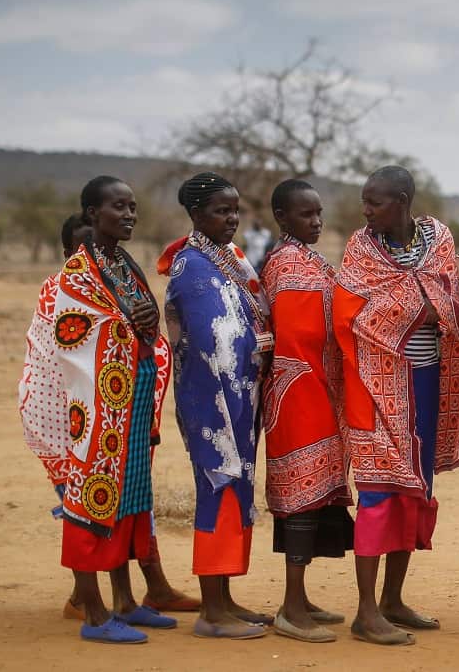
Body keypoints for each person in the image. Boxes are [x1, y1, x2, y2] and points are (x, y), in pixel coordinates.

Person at [19, 212, 198, 623]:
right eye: (85, 245)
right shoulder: (63, 288)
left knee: (122, 506)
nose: (93, 252)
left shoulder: (117, 273)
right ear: (70, 251)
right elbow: (72, 354)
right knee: (87, 509)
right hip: (69, 422)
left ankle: (126, 599)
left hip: (118, 413)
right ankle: (88, 603)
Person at [332, 166, 459, 646]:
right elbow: (349, 315)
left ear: (403, 199)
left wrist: (423, 304)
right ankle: (365, 609)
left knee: (415, 488)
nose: (366, 211)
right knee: (377, 493)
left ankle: (393, 599)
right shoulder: (360, 247)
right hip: (374, 385)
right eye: (364, 201)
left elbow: (447, 299)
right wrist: (416, 306)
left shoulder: (436, 238)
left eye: (375, 202)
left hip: (427, 379)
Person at [49, 177, 180, 643]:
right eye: (117, 207)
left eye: (132, 207)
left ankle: (126, 600)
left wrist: (145, 323)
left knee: (131, 497)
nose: (128, 215)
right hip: (101, 405)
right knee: (93, 496)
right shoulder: (78, 273)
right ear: (91, 214)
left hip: (134, 395)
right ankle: (94, 613)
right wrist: (129, 324)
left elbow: (145, 313)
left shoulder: (121, 261)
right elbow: (70, 335)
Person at [160, 172, 272, 639]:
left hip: (240, 396)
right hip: (210, 400)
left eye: (234, 211)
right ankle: (210, 612)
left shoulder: (230, 260)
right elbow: (210, 337)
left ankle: (224, 598)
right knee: (218, 489)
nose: (230, 219)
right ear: (196, 215)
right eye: (220, 211)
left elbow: (251, 316)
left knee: (238, 490)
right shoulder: (191, 268)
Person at [260, 179, 354, 643]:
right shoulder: (286, 265)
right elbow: (303, 337)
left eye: (318, 213)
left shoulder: (309, 260)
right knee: (300, 497)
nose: (315, 221)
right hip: (300, 392)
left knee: (313, 499)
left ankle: (300, 600)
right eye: (304, 214)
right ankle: (291, 609)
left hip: (316, 390)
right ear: (282, 217)